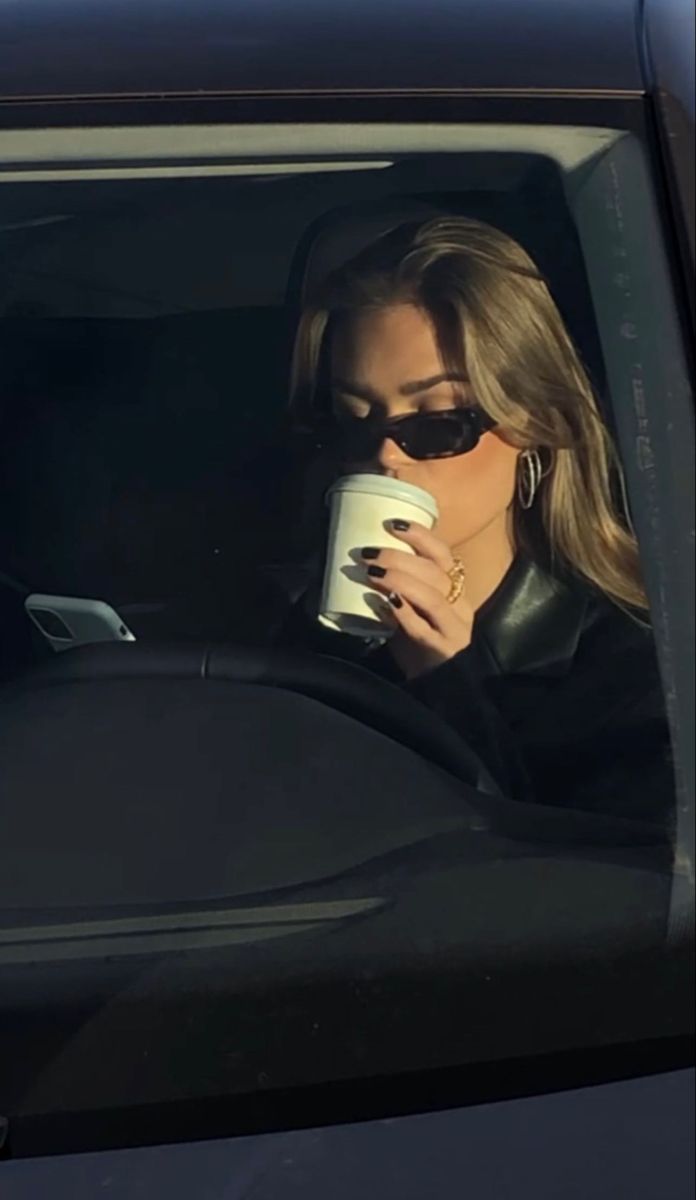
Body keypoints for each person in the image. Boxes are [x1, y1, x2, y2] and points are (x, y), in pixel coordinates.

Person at [280, 216, 674, 837]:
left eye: (439, 423)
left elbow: (590, 895)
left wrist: (449, 685)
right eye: (354, 421)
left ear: (536, 426)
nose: (387, 457)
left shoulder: (640, 667)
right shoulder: (302, 642)